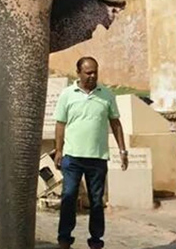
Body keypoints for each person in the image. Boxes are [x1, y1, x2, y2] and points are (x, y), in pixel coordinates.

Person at [54, 56, 128, 249]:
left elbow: (115, 123)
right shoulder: (67, 94)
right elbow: (60, 124)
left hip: (97, 158)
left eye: (95, 72)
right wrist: (59, 150)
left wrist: (122, 150)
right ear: (78, 73)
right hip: (72, 157)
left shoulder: (107, 94)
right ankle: (64, 238)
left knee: (96, 202)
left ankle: (96, 241)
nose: (92, 76)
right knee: (69, 196)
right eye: (88, 72)